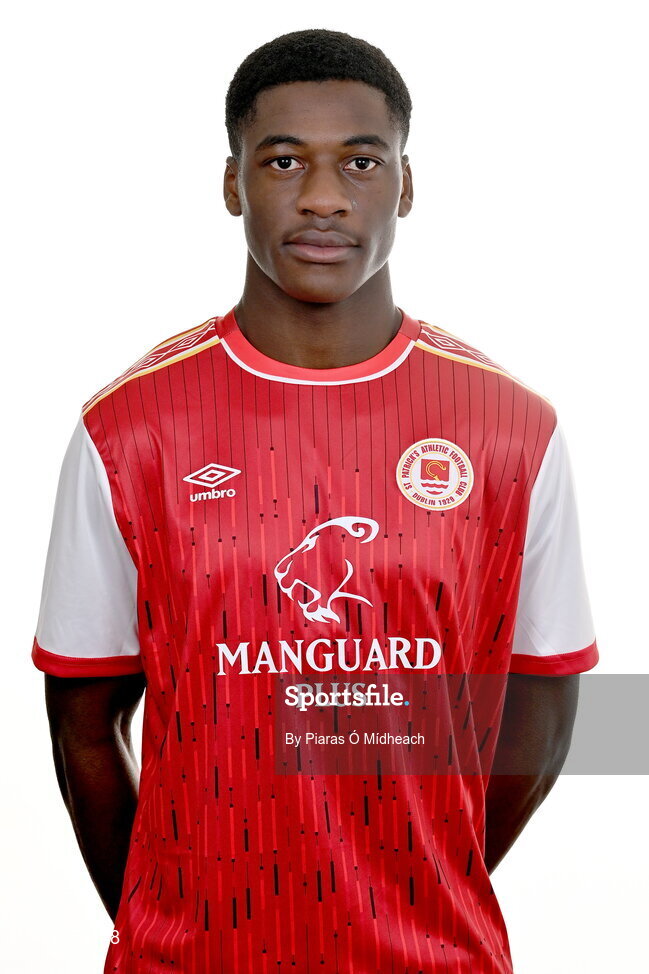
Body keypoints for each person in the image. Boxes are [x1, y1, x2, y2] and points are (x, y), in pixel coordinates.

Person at [32, 28, 599, 974]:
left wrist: (424, 885)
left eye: (361, 162)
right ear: (232, 183)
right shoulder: (127, 430)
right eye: (284, 160)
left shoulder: (512, 430)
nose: (324, 196)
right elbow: (83, 728)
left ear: (406, 186)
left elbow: (545, 709)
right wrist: (171, 924)